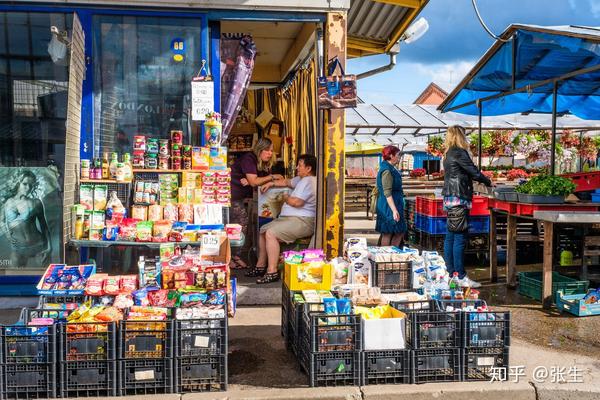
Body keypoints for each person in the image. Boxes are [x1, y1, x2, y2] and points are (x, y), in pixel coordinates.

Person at [247, 154, 318, 284]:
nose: (297, 167)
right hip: (291, 219)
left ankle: (272, 271)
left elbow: (297, 202)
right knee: (263, 230)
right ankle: (260, 266)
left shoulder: (310, 181)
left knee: (271, 233)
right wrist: (271, 183)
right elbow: (286, 182)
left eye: (300, 165)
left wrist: (285, 197)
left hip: (302, 221)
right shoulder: (301, 179)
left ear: (308, 168)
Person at [442, 125, 492, 288]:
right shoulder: (458, 152)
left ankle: (451, 274)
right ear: (460, 136)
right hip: (459, 198)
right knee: (459, 238)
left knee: (450, 237)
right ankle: (461, 276)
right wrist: (488, 181)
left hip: (450, 198)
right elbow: (474, 171)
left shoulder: (448, 153)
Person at [229, 138, 283, 269]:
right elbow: (255, 181)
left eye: (271, 151)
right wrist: (271, 177)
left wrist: (256, 180)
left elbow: (256, 181)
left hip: (243, 197)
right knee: (240, 224)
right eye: (267, 150)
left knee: (241, 226)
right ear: (260, 149)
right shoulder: (249, 158)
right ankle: (232, 257)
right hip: (233, 196)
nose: (270, 153)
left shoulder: (262, 163)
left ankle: (234, 256)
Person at [4, 169, 52, 268]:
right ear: (18, 183)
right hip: (18, 248)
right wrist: (7, 234)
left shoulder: (36, 202)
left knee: (45, 278)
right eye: (25, 184)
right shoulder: (8, 202)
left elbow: (44, 226)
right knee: (14, 278)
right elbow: (1, 221)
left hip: (38, 245)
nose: (28, 188)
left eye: (31, 185)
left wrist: (50, 247)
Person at [375, 145, 406, 247]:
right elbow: (387, 193)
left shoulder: (390, 168)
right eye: (397, 155)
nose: (399, 157)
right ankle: (387, 258)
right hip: (389, 206)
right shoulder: (387, 171)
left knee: (396, 231)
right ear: (391, 156)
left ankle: (392, 255)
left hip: (393, 203)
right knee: (388, 232)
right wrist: (394, 210)